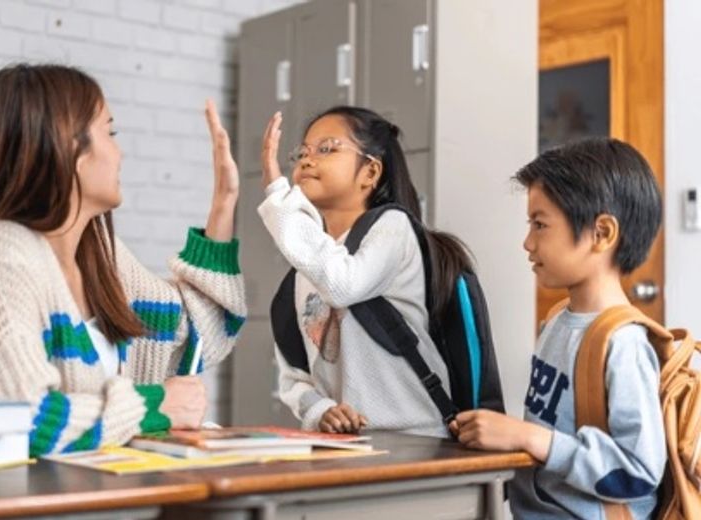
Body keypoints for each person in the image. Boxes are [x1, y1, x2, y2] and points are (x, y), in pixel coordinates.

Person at [0, 64, 246, 456]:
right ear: (71, 147)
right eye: (110, 133)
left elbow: (199, 334)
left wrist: (224, 202)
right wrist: (154, 407)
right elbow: (24, 420)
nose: (120, 153)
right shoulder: (4, 258)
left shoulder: (100, 253)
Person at [451, 137, 667, 518]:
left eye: (540, 224)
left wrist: (530, 438)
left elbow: (638, 473)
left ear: (602, 233)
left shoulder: (623, 343)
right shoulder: (557, 321)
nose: (527, 242)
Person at [258, 106, 478, 438]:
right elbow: (294, 378)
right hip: (348, 446)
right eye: (302, 153)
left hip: (418, 442)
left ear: (370, 172)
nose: (307, 160)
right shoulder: (305, 270)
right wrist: (321, 410)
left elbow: (343, 284)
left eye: (326, 148)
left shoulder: (393, 227)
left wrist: (278, 196)